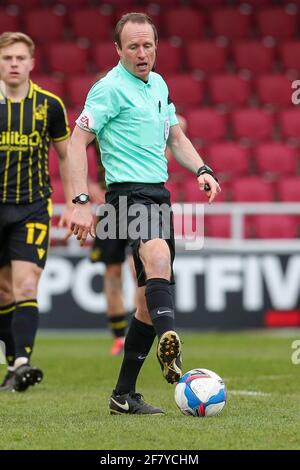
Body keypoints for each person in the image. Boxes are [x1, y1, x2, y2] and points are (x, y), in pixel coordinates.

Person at [68, 13, 221, 415]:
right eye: (132, 46)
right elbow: (75, 142)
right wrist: (80, 202)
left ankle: (124, 395)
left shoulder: (160, 84)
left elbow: (176, 136)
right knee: (158, 258)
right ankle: (171, 341)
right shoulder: (108, 89)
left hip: (158, 194)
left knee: (144, 301)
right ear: (118, 49)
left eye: (147, 45)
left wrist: (202, 169)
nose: (141, 53)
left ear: (156, 46)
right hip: (126, 194)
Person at [0, 32, 73, 392]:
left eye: (19, 58)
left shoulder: (50, 106)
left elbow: (67, 154)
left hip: (31, 208)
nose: (13, 64)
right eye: (7, 58)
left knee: (26, 284)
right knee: (3, 292)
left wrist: (77, 201)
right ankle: (13, 365)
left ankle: (22, 363)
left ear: (32, 62)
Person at [89, 141, 136, 356]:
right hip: (110, 204)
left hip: (140, 199)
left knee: (140, 269)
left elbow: (179, 123)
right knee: (112, 271)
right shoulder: (97, 118)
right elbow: (70, 148)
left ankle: (142, 332)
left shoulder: (140, 113)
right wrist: (89, 186)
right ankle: (119, 337)